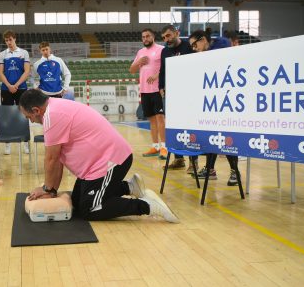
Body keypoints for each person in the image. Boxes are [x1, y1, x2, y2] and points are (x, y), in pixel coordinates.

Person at [21, 89, 179, 223]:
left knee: (89, 208)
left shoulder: (52, 115)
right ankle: (129, 187)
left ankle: (147, 206)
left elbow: (51, 159)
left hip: (111, 161)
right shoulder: (55, 108)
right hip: (97, 165)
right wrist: (52, 190)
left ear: (36, 110)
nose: (33, 121)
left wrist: (46, 188)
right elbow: (57, 160)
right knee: (76, 201)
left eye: (30, 117)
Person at [188, 30, 239, 186]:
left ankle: (235, 172)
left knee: (228, 140)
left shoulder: (221, 48)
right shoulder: (207, 53)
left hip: (227, 102)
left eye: (195, 45)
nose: (194, 49)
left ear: (203, 40)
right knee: (212, 138)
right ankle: (210, 169)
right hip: (212, 103)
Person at [158, 25, 198, 172]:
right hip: (170, 94)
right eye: (163, 37)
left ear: (177, 33)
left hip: (189, 93)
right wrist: (160, 87)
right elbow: (162, 71)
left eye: (168, 35)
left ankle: (193, 162)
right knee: (173, 127)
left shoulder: (189, 47)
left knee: (191, 126)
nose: (166, 39)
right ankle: (178, 159)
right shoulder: (164, 51)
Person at [129, 28, 167, 159]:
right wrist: (139, 62)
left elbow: (167, 66)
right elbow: (132, 70)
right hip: (144, 91)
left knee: (160, 118)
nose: (145, 39)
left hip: (157, 90)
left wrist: (157, 75)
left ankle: (164, 147)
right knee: (151, 120)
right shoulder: (140, 52)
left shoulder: (161, 49)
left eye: (148, 36)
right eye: (143, 37)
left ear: (153, 36)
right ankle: (155, 146)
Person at [0, 29, 31, 155]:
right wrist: (9, 85)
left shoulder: (23, 53)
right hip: (6, 89)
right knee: (6, 116)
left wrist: (16, 85)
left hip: (21, 88)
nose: (8, 42)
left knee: (24, 114)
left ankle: (26, 142)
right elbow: (0, 72)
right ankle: (7, 143)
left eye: (10, 40)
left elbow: (26, 71)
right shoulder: (2, 54)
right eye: (6, 40)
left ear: (14, 39)